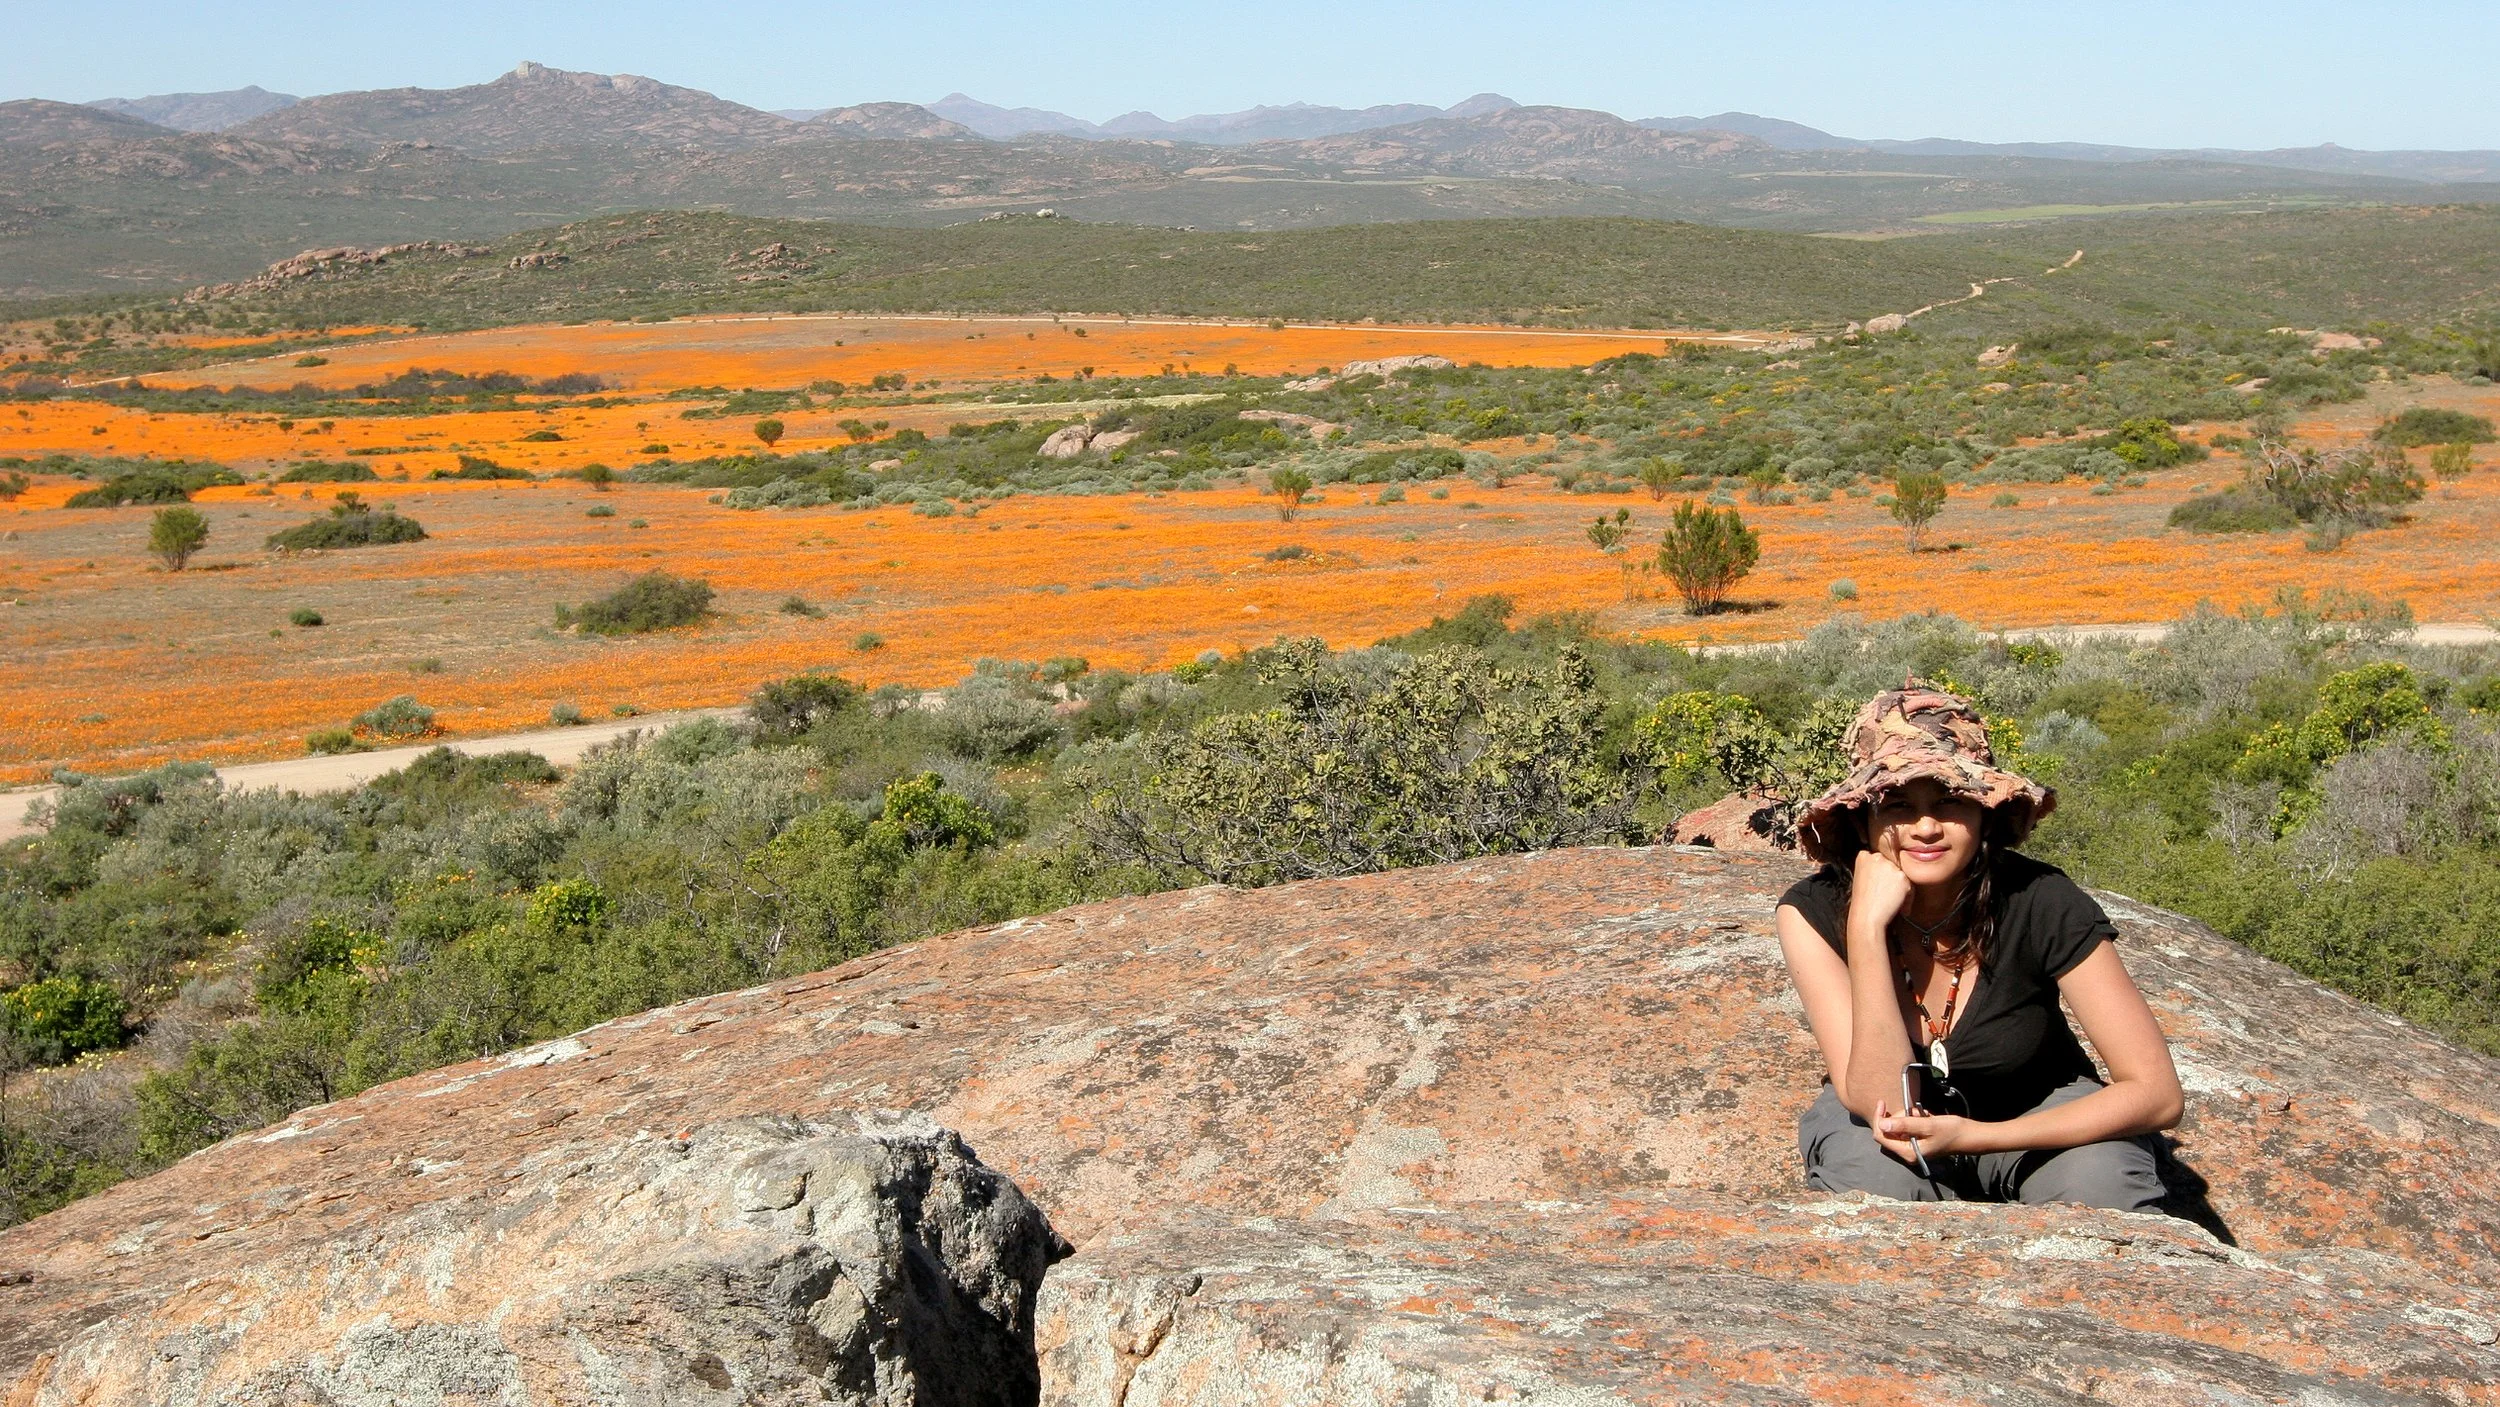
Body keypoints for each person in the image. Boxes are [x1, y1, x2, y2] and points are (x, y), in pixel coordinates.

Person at [1775, 682, 2183, 1210]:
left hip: (2034, 1115)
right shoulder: (1812, 911)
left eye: (1950, 800)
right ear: (1861, 820)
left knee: (2101, 1187)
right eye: (1897, 805)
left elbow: (2156, 1094)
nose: (1925, 827)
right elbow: (1884, 1102)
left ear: (1986, 812)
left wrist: (1977, 1137)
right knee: (1871, 1192)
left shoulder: (2040, 900)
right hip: (1881, 1128)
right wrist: (1867, 931)